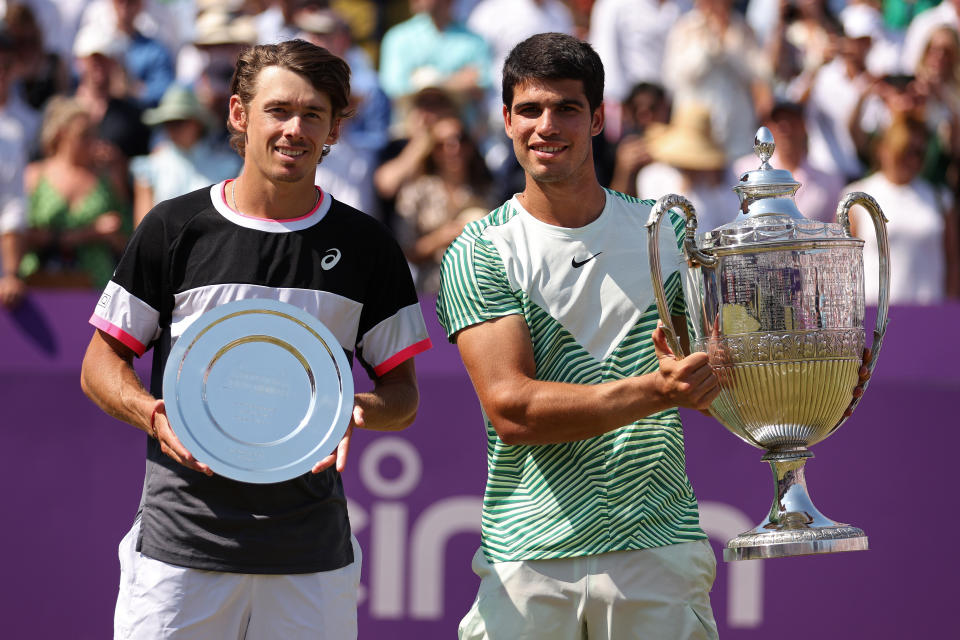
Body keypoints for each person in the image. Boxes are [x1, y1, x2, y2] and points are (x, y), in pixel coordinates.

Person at [79, 39, 432, 638]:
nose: (294, 129)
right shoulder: (173, 227)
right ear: (240, 115)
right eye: (279, 110)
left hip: (311, 562)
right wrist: (150, 411)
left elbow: (403, 396)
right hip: (177, 554)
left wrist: (352, 408)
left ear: (334, 129)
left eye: (313, 114)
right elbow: (99, 362)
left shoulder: (369, 247)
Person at [436, 32, 722, 639]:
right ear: (507, 120)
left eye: (566, 107)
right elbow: (513, 409)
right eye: (531, 109)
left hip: (658, 547)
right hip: (528, 557)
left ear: (596, 119)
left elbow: (714, 384)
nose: (547, 125)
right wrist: (658, 391)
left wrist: (795, 384)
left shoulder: (666, 234)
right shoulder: (481, 251)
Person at [20, 96, 130, 289]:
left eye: (95, 134)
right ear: (62, 134)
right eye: (84, 135)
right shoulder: (35, 175)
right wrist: (89, 234)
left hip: (95, 286)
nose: (93, 141)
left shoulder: (108, 178)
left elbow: (127, 242)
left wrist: (113, 235)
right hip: (38, 284)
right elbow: (20, 233)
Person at [131, 84, 241, 226]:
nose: (172, 129)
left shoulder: (227, 166)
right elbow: (143, 229)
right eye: (167, 123)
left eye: (179, 121)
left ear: (197, 123)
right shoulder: (150, 168)